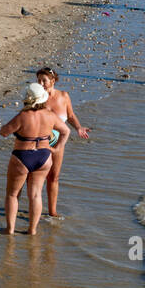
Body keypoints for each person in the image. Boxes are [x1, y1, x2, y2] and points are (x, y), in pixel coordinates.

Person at [0, 82, 68, 236]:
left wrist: (4, 126)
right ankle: (32, 230)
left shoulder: (23, 116)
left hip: (22, 157)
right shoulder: (50, 115)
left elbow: (4, 132)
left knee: (12, 194)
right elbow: (66, 131)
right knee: (36, 195)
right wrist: (56, 149)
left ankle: (9, 230)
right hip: (44, 157)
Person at [35, 68, 88, 219]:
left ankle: (52, 211)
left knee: (54, 177)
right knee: (36, 178)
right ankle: (35, 208)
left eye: (43, 80)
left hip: (58, 144)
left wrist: (78, 127)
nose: (41, 83)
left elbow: (70, 115)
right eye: (38, 80)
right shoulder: (37, 99)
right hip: (40, 143)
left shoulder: (64, 96)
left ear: (52, 80)